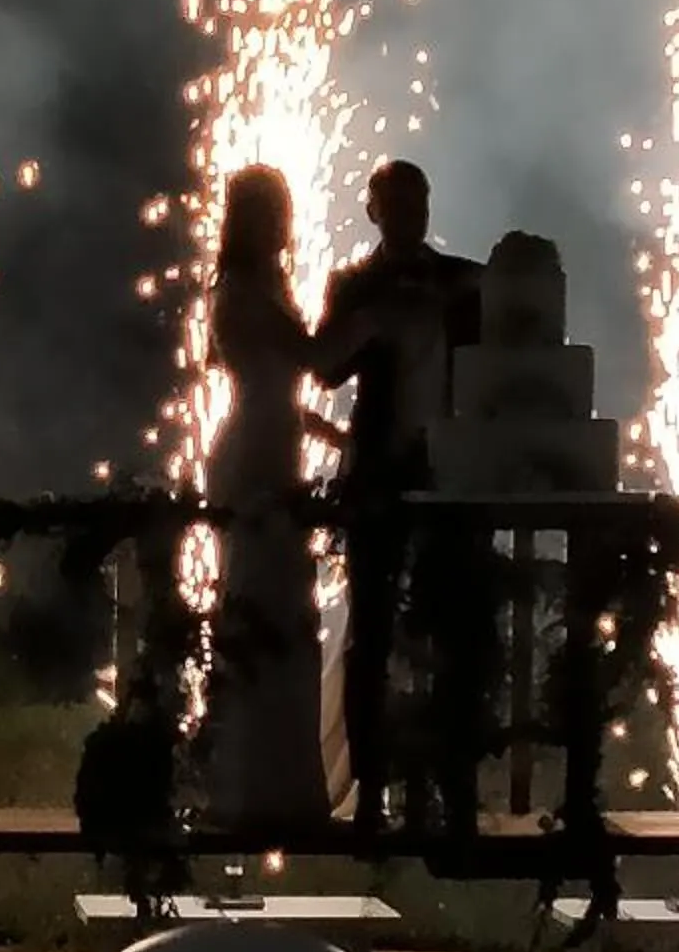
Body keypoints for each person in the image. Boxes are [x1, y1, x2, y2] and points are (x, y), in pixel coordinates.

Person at [310, 159, 483, 826]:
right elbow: (326, 372)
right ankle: (373, 794)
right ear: (375, 212)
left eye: (421, 200)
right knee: (370, 635)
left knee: (456, 633)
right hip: (378, 475)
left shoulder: (463, 282)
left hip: (450, 478)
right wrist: (371, 322)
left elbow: (493, 365)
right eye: (400, 203)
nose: (414, 214)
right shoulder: (354, 286)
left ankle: (452, 790)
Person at [202, 164, 334, 830]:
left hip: (270, 439)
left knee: (280, 611)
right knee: (266, 610)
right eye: (275, 211)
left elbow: (280, 387)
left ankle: (273, 784)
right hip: (255, 454)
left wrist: (328, 432)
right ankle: (256, 786)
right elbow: (306, 358)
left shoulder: (257, 286)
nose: (285, 223)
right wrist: (357, 310)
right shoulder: (246, 289)